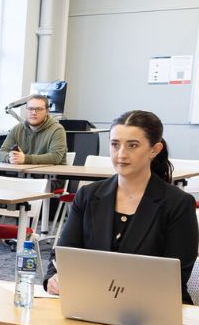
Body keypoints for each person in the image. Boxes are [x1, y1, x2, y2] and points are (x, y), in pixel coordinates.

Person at [46, 109, 197, 303]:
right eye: (115, 144)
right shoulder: (88, 195)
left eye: (133, 145)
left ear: (155, 149)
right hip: (92, 304)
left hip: (154, 310)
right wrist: (53, 279)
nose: (121, 154)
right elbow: (62, 255)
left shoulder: (177, 204)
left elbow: (173, 278)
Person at [0, 94, 67, 165]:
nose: (33, 113)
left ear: (47, 111)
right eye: (30, 109)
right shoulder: (17, 128)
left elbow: (55, 157)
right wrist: (11, 158)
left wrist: (25, 159)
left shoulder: (57, 129)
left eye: (39, 109)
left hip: (51, 174)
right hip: (22, 173)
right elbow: (1, 153)